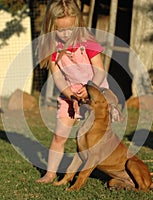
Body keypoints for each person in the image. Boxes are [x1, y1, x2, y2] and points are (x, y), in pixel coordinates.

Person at [36, 0, 109, 183]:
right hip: (70, 94)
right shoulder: (53, 48)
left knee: (97, 136)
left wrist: (90, 88)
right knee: (59, 136)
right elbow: (58, 76)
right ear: (51, 27)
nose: (67, 34)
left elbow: (100, 70)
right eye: (61, 30)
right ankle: (50, 173)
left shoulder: (88, 42)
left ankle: (109, 167)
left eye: (71, 29)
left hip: (94, 92)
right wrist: (69, 93)